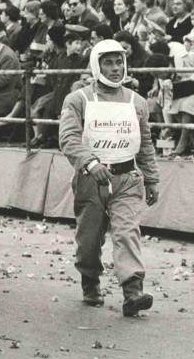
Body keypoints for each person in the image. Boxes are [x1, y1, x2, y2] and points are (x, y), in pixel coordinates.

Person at [58, 39, 160, 316]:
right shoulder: (78, 99)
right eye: (108, 62)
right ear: (96, 65)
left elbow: (146, 143)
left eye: (119, 62)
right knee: (89, 240)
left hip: (127, 178)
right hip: (92, 180)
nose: (115, 69)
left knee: (127, 232)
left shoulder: (136, 102)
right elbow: (68, 138)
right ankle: (90, 279)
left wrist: (151, 178)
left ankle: (132, 290)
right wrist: (90, 163)